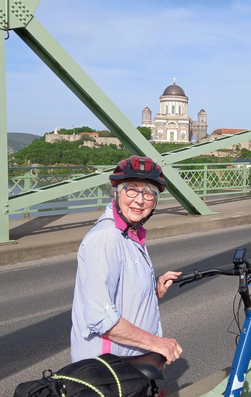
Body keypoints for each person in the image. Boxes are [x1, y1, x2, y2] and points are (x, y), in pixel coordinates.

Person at [70, 155, 183, 365]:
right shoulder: (106, 238)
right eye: (131, 189)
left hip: (129, 366)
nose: (139, 200)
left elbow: (121, 296)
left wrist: (153, 290)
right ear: (116, 193)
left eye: (149, 193)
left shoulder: (131, 233)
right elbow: (100, 317)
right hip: (107, 370)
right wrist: (158, 343)